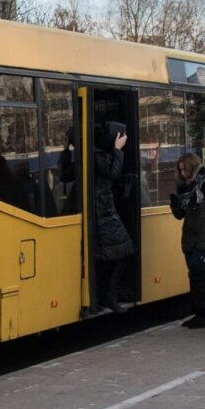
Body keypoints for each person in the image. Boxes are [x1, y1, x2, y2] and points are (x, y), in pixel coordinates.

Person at [169, 152, 205, 329]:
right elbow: (179, 215)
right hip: (190, 238)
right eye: (180, 170)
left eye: (185, 170)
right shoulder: (184, 188)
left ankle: (204, 315)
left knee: (199, 275)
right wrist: (175, 201)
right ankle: (200, 314)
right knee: (194, 275)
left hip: (204, 238)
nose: (183, 174)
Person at [92, 121, 135, 313]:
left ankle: (103, 294)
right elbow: (113, 174)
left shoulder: (96, 153)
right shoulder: (98, 155)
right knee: (124, 249)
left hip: (103, 210)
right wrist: (118, 150)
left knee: (108, 255)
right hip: (102, 211)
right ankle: (107, 295)